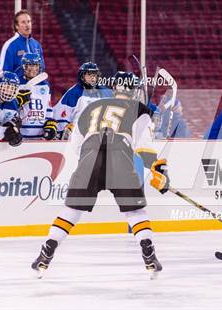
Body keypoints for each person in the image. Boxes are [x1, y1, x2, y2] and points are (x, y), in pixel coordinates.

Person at [31, 71, 169, 279]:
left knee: (72, 210)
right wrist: (159, 172)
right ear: (133, 91)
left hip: (89, 155)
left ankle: (46, 253)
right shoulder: (141, 109)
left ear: (115, 89)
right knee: (134, 212)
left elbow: (76, 146)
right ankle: (149, 255)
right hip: (120, 155)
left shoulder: (90, 108)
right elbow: (145, 148)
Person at [52, 62, 113, 139]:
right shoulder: (73, 93)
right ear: (82, 76)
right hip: (79, 139)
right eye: (89, 74)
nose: (92, 77)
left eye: (94, 74)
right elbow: (60, 116)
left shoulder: (106, 92)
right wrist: (63, 131)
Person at [14, 53, 55, 139]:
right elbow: (9, 108)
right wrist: (17, 102)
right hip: (21, 135)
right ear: (24, 66)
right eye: (30, 65)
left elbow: (48, 107)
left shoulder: (45, 85)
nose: (33, 69)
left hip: (40, 135)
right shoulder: (16, 83)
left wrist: (50, 123)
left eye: (36, 65)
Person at [0, 10, 45, 79]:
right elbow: (1, 73)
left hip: (35, 88)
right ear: (16, 26)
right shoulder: (10, 45)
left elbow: (42, 68)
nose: (27, 25)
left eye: (29, 21)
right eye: (23, 22)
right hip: (17, 88)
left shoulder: (36, 45)